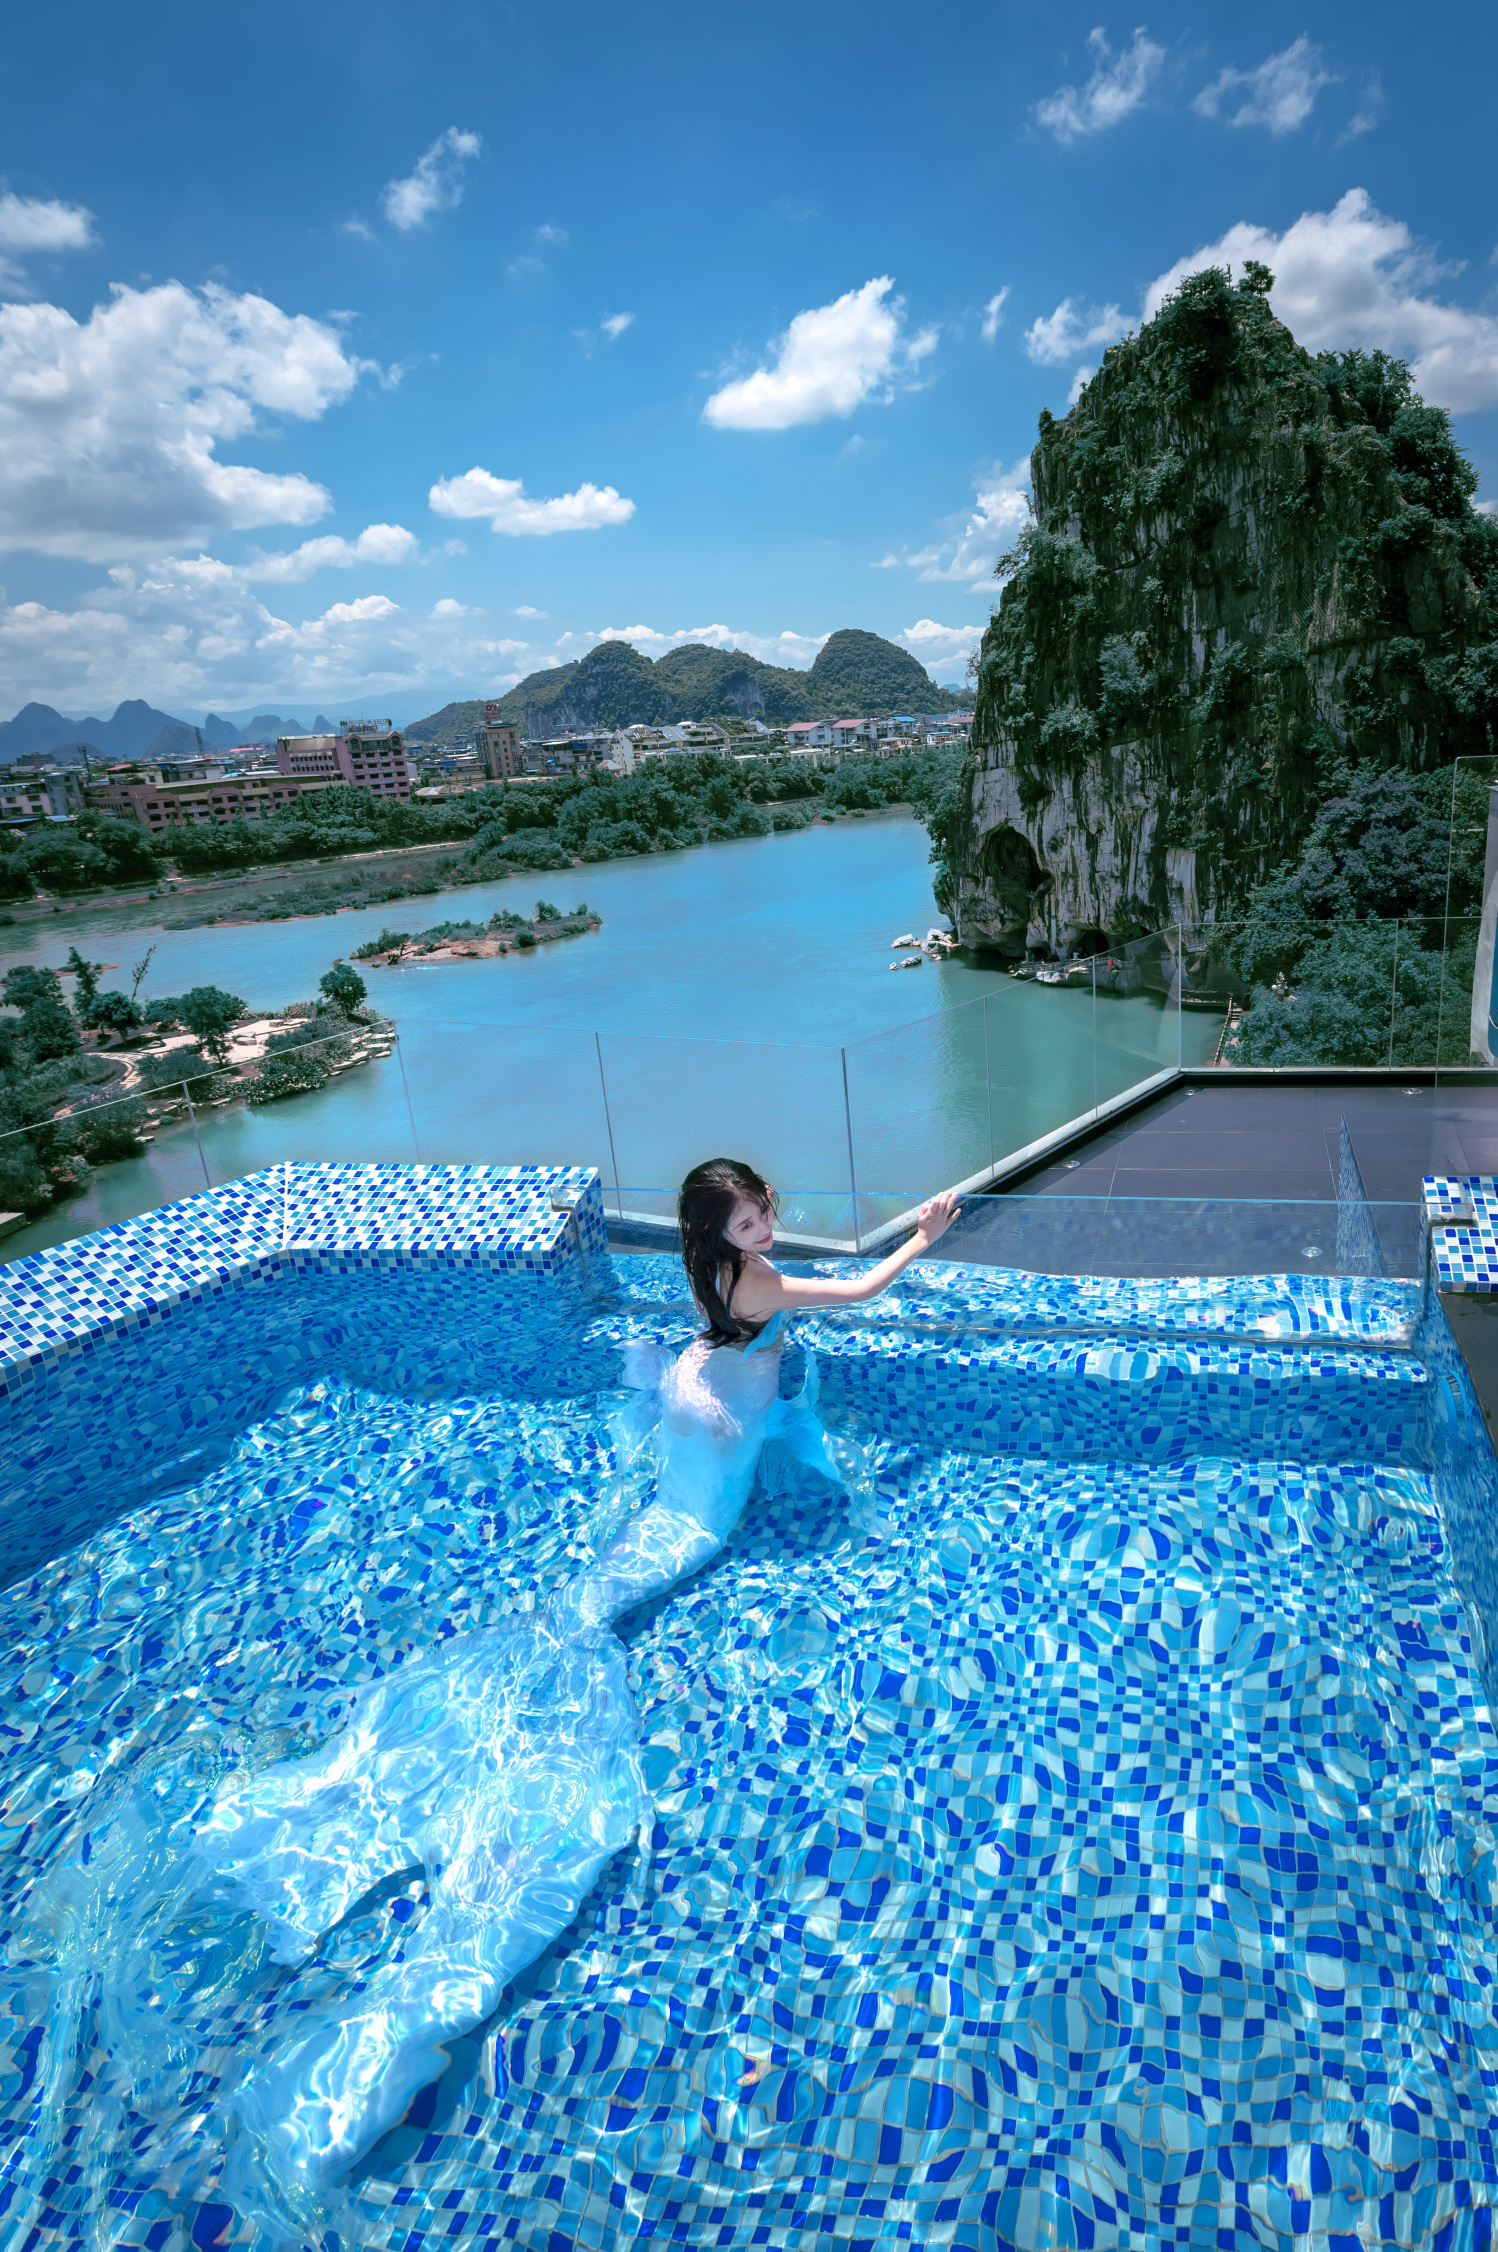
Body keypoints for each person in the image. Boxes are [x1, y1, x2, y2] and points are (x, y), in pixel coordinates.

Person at [185, 1161, 962, 2216]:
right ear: (723, 1232)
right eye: (754, 1216)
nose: (770, 1224)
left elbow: (759, 1314)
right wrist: (930, 1231)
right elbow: (864, 1291)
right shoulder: (763, 1284)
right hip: (712, 1473)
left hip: (702, 1406)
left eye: (768, 1207)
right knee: (645, 1571)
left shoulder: (713, 1273)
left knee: (601, 1583)